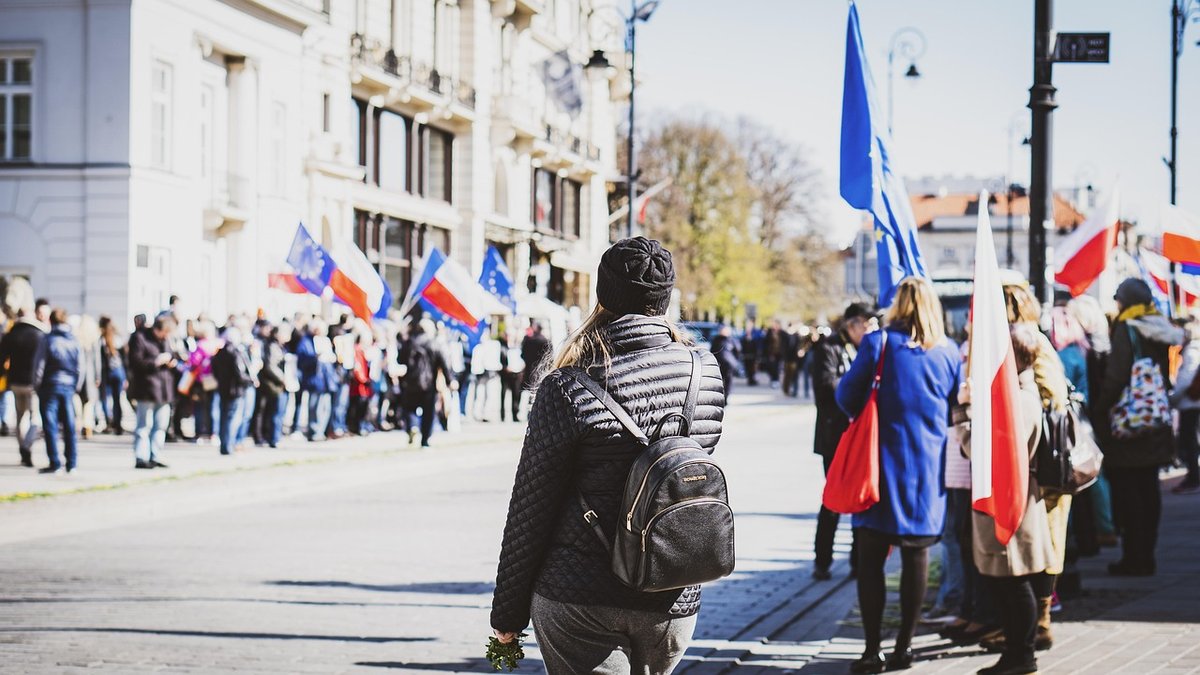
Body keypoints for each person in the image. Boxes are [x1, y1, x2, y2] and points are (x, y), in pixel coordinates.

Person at [490, 237, 726, 674]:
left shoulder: (567, 384)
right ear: (665, 297)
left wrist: (507, 614)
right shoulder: (704, 371)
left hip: (581, 594)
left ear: (603, 296)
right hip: (672, 590)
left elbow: (531, 506)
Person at [835, 277, 960, 673]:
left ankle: (872, 650)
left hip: (879, 466)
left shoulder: (879, 343)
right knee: (917, 555)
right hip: (927, 469)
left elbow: (845, 396)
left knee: (871, 560)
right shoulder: (948, 352)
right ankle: (904, 647)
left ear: (898, 305)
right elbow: (955, 404)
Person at [963, 324, 1057, 675]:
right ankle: (1018, 654)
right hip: (1016, 498)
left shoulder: (1019, 397)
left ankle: (1021, 655)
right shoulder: (1019, 391)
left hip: (1013, 500)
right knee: (1010, 583)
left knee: (1014, 583)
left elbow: (984, 450)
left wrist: (963, 415)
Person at [1095, 278, 1183, 576]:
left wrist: (1101, 407)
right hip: (1154, 420)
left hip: (1130, 422)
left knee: (1130, 492)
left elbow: (1117, 376)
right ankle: (1147, 554)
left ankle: (1135, 557)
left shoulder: (1128, 327)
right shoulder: (1158, 325)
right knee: (1149, 490)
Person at [809, 302, 875, 581]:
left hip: (860, 436)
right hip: (834, 435)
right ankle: (822, 561)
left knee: (861, 498)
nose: (870, 330)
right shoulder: (829, 348)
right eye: (866, 325)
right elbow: (825, 387)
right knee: (833, 499)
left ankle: (858, 562)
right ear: (852, 324)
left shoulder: (868, 349)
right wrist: (856, 384)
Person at [0, 303, 47, 467]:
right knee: (35, 417)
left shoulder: (11, 334)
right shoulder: (40, 334)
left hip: (15, 381)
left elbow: (2, 358)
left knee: (21, 416)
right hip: (33, 383)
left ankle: (23, 448)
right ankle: (27, 445)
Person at [127, 316, 177, 469]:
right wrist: (156, 361)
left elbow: (172, 354)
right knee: (144, 425)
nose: (166, 336)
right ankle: (141, 456)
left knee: (161, 425)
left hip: (164, 388)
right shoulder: (139, 337)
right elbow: (135, 361)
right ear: (158, 329)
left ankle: (156, 455)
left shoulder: (165, 340)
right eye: (165, 333)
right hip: (147, 388)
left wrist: (171, 361)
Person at [36, 308, 81, 474]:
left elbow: (39, 365)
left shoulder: (47, 340)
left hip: (50, 385)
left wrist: (37, 385)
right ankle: (72, 462)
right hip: (68, 386)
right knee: (69, 425)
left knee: (50, 425)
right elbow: (80, 366)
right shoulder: (73, 340)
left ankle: (54, 462)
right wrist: (76, 386)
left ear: (51, 321)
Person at [399, 319, 451, 447]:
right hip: (429, 384)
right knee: (428, 413)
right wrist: (450, 380)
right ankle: (425, 440)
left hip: (410, 382)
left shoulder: (410, 342)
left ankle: (412, 426)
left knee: (409, 408)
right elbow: (443, 363)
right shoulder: (434, 344)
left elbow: (400, 360)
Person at [211, 327, 255, 456]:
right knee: (233, 419)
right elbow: (239, 374)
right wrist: (250, 380)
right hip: (235, 390)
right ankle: (228, 445)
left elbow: (215, 370)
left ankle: (225, 445)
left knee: (224, 417)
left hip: (223, 389)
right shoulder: (235, 353)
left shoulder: (220, 353)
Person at [1171, 320, 1200, 494]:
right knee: (1191, 441)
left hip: (1191, 402)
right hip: (1192, 401)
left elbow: (1185, 379)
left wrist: (1173, 399)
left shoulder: (1192, 351)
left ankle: (1193, 478)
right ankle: (1193, 477)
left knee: (1190, 442)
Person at [98, 316, 127, 435]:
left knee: (105, 398)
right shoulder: (118, 339)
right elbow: (125, 359)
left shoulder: (102, 340)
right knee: (117, 399)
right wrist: (125, 376)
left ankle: (109, 421)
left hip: (107, 373)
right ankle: (117, 423)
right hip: (118, 372)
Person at [520, 322, 551, 414]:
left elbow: (523, 354)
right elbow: (549, 357)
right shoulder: (545, 341)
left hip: (530, 369)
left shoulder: (529, 340)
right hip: (540, 370)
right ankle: (533, 410)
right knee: (536, 391)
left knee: (530, 391)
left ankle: (529, 410)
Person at [709, 325, 742, 397]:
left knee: (728, 381)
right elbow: (712, 351)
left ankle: (726, 396)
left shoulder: (732, 340)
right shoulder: (716, 340)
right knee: (719, 380)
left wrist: (735, 361)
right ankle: (720, 395)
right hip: (719, 364)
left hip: (729, 365)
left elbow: (737, 351)